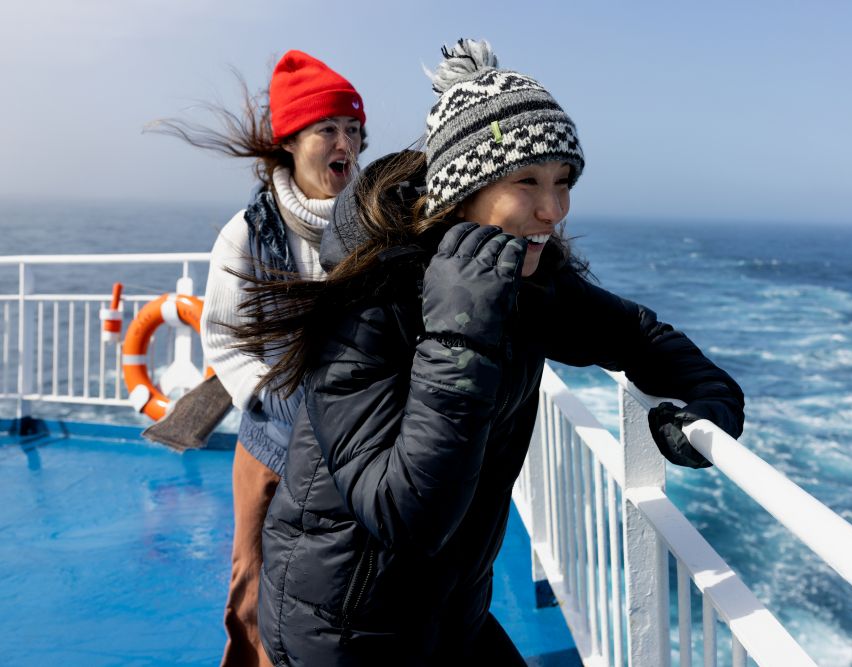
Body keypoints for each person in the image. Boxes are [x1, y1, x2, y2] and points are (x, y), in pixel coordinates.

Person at [235, 39, 743, 666]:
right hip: (344, 629)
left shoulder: (527, 282)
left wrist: (712, 405)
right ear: (460, 193)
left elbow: (642, 337)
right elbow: (406, 517)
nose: (552, 210)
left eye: (564, 182)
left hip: (450, 610)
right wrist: (462, 330)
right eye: (526, 181)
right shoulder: (368, 301)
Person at [151, 50, 367, 667]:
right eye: (329, 129)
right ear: (291, 143)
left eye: (354, 131)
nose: (344, 143)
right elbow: (221, 337)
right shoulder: (245, 235)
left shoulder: (372, 229)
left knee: (337, 593)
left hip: (349, 443)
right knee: (253, 580)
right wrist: (271, 400)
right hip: (272, 438)